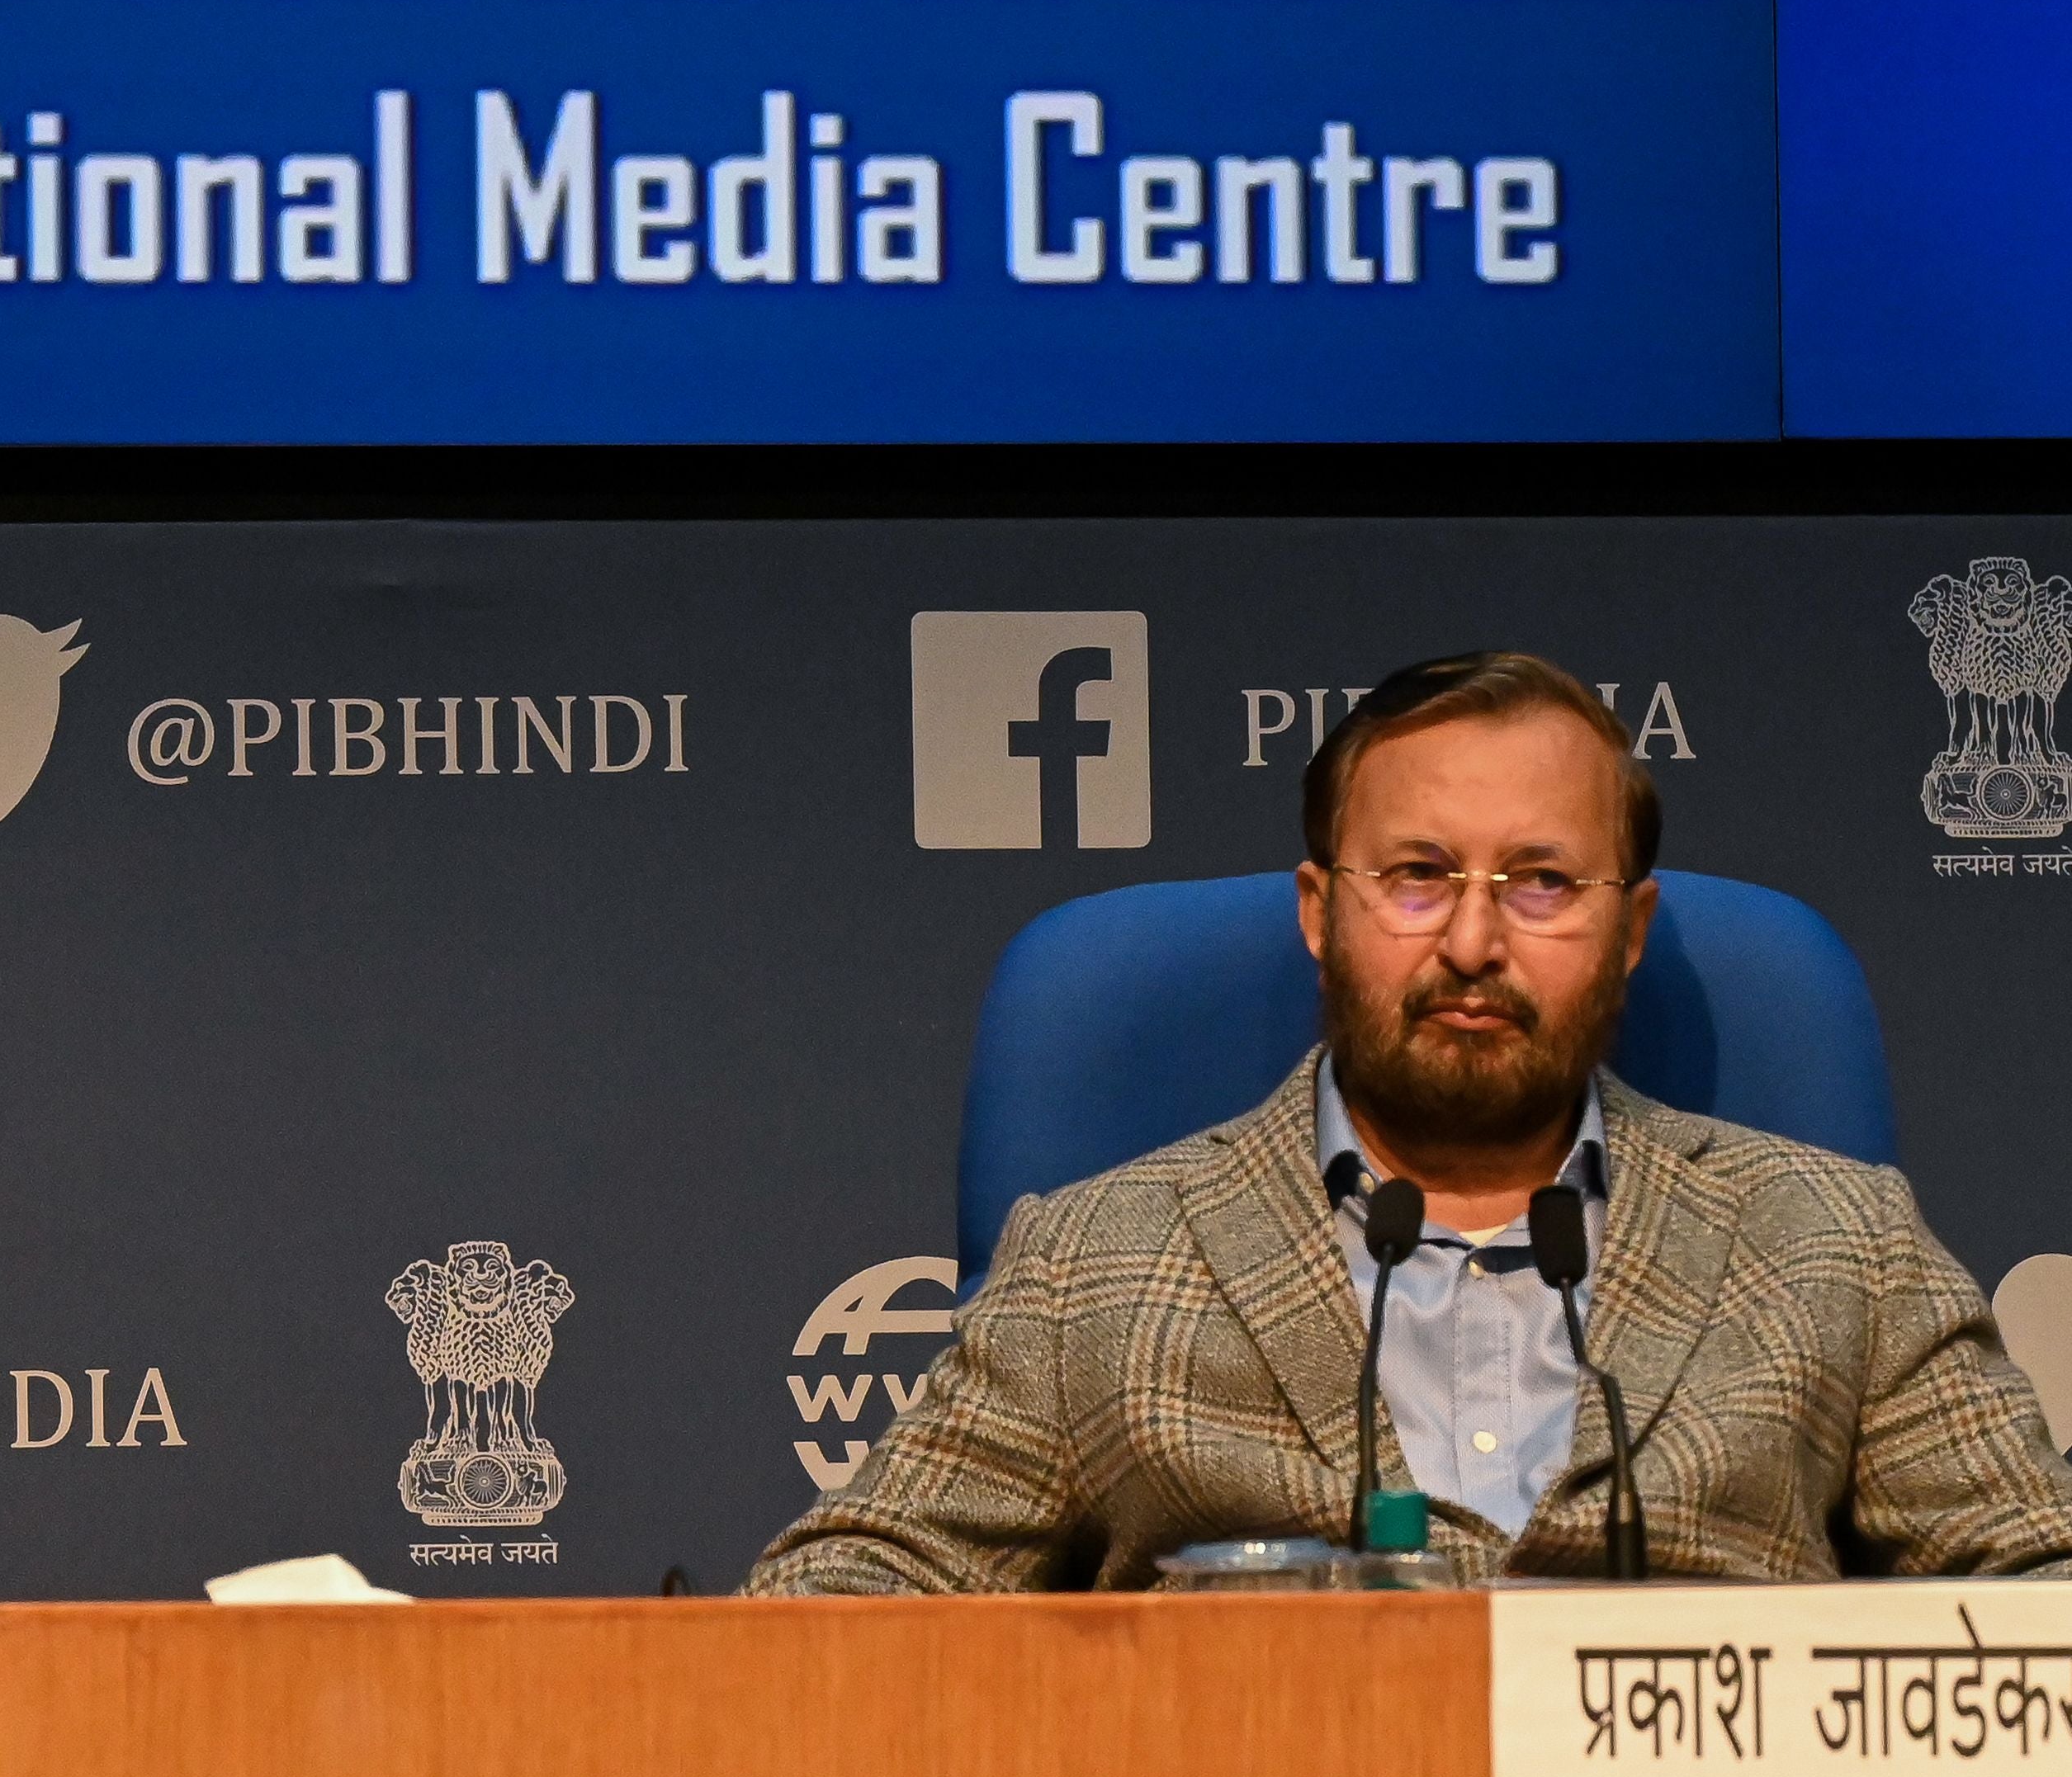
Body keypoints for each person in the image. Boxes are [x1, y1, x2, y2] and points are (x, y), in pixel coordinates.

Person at [751, 650, 2072, 1593]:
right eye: (1419, 878)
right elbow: (848, 1602)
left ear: (1632, 932)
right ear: (1323, 911)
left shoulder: (1835, 1241)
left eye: (1544, 882)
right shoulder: (1091, 1263)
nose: (1476, 942)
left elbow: (2038, 1577)